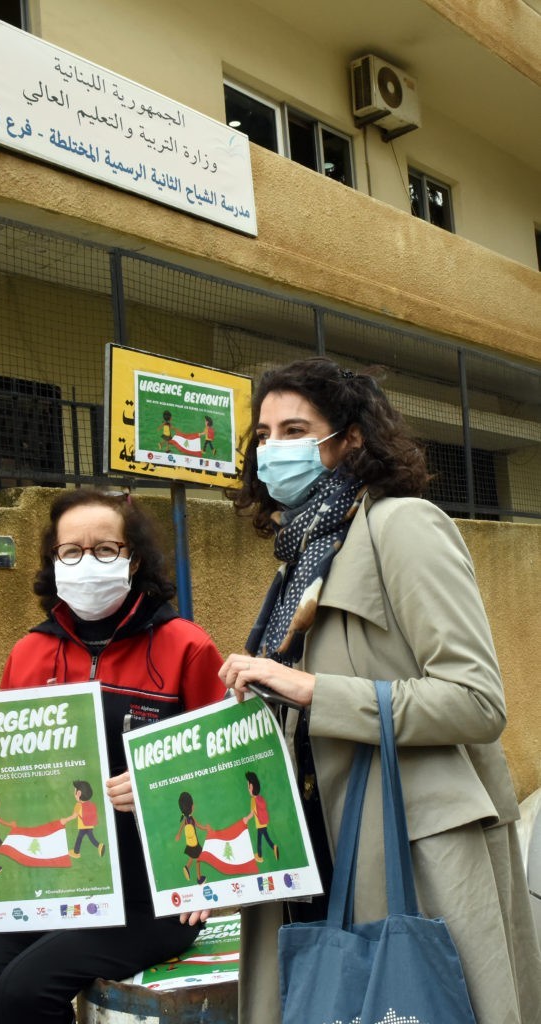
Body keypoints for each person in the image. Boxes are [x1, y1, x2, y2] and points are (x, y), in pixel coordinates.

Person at [219, 357, 541, 1024]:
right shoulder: (301, 557)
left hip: (404, 850)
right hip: (309, 848)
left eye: (294, 430)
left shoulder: (402, 526)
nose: (273, 449)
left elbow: (477, 701)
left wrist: (315, 691)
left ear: (351, 438)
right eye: (264, 434)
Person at [0, 487, 225, 1024]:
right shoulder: (29, 652)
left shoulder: (186, 646)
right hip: (56, 883)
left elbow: (227, 767)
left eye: (105, 549)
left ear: (134, 559)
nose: (88, 561)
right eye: (71, 551)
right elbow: (10, 770)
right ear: (53, 560)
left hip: (155, 892)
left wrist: (163, 796)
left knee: (26, 991)